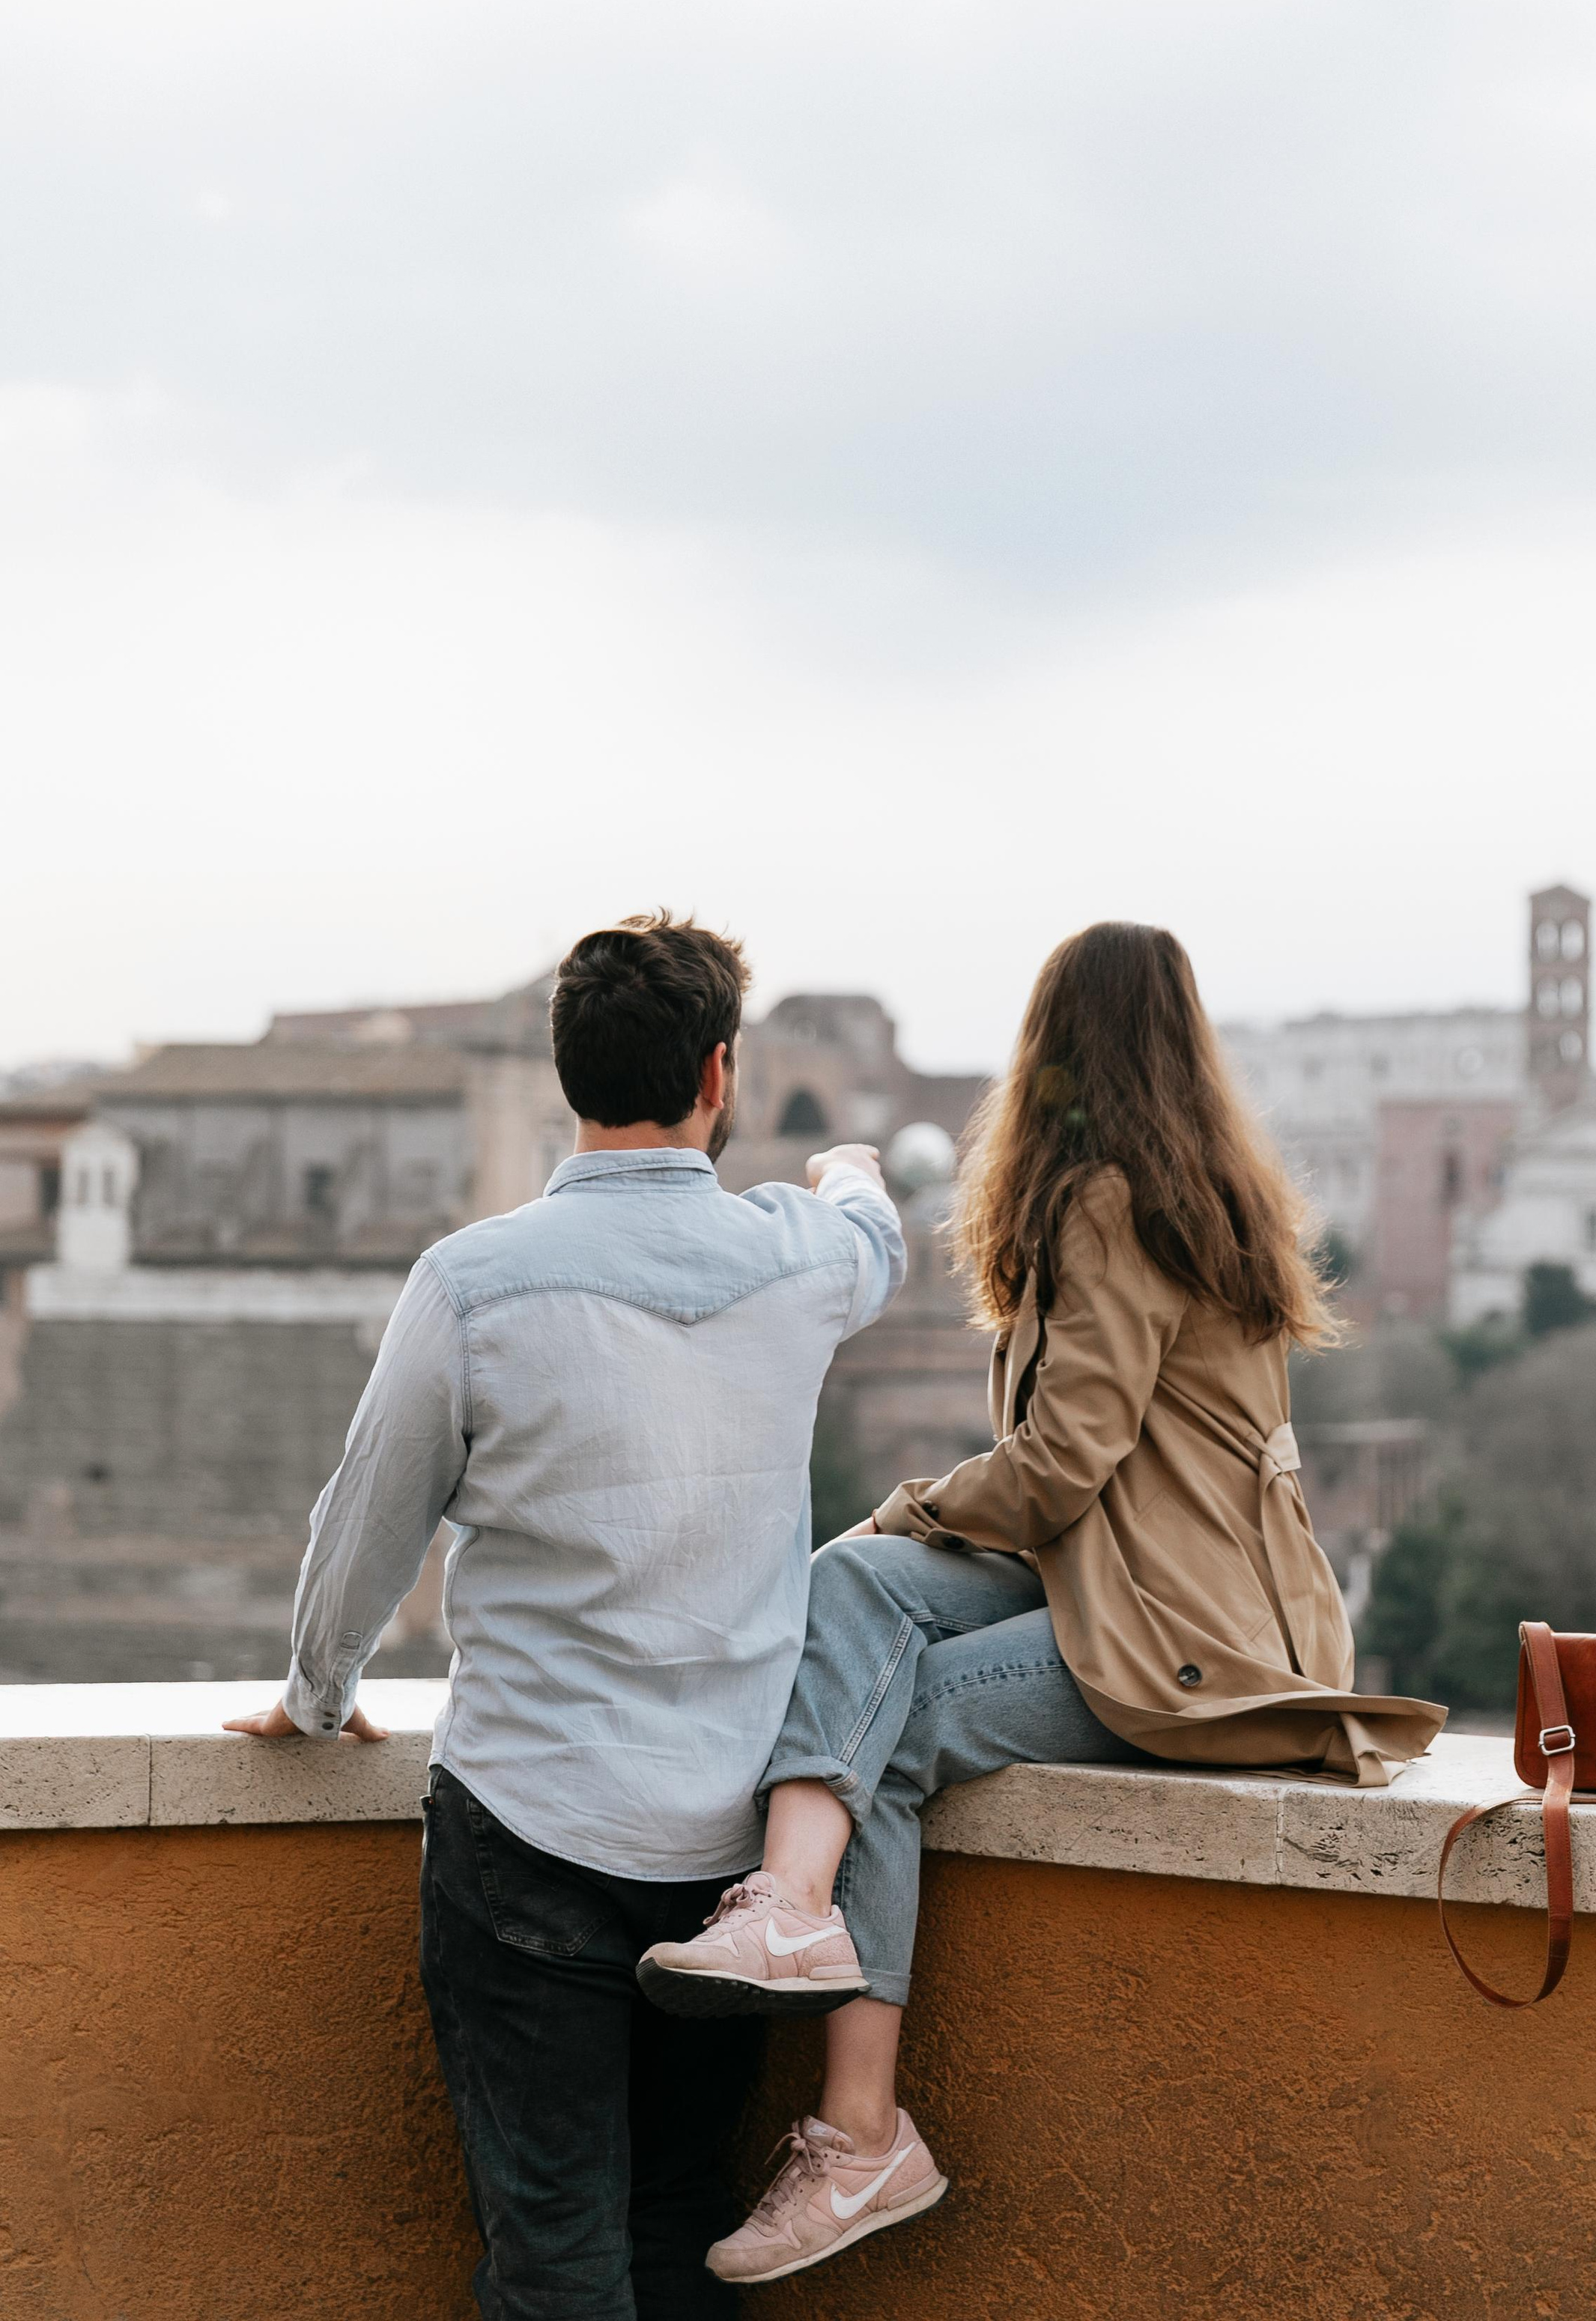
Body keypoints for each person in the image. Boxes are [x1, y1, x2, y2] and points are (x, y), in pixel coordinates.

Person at [640, 919, 1446, 2289]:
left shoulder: (1106, 1201)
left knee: (888, 1728)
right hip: (1185, 1598)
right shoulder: (1205, 1195)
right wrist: (897, 1535)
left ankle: (861, 2133)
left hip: (1180, 1638)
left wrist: (913, 1506)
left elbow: (1067, 1462)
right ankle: (787, 1903)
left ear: (1050, 1047)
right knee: (852, 1587)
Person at [226, 912, 905, 2321]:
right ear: (719, 1076)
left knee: (553, 2259)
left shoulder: (473, 1282)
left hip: (528, 1831)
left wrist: (314, 1689)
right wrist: (847, 1166)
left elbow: (367, 1525)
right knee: (678, 2226)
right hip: (723, 1860)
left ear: (565, 1076)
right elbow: (874, 1232)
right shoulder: (804, 1263)